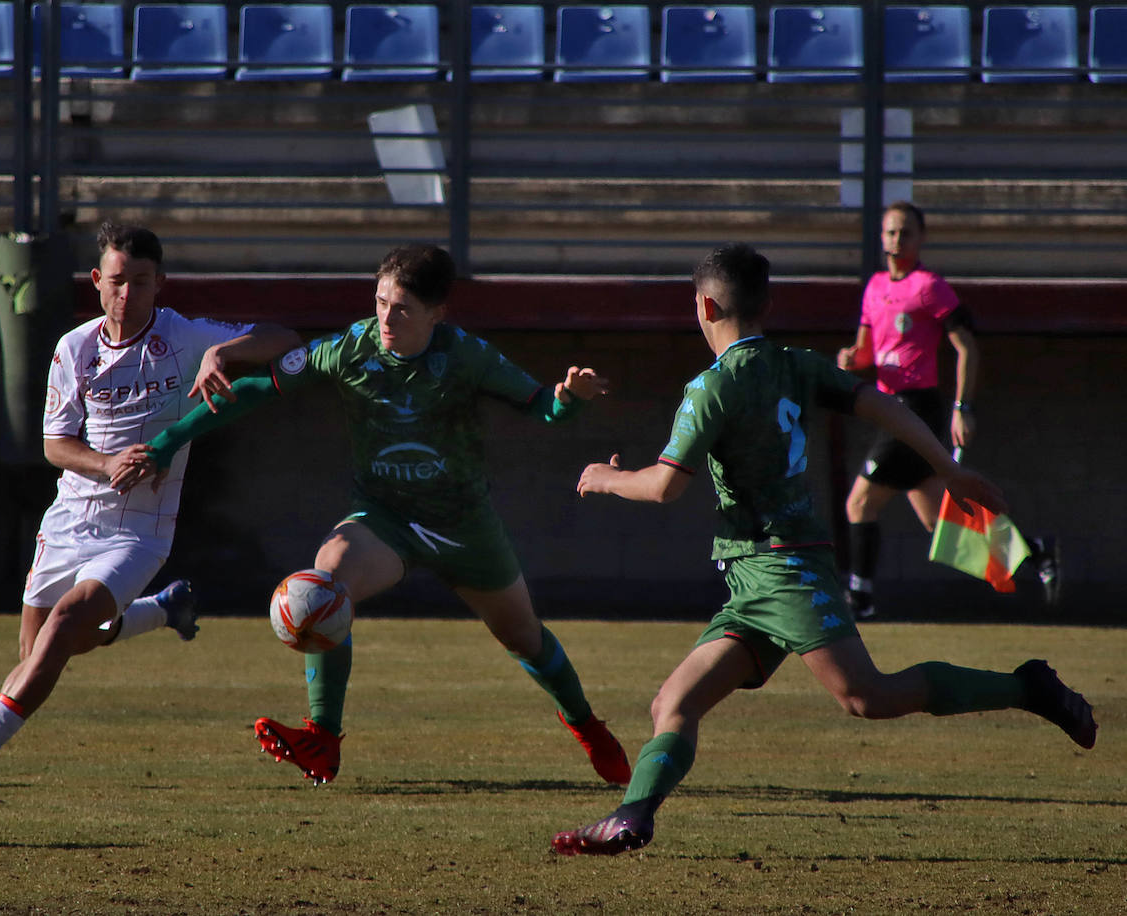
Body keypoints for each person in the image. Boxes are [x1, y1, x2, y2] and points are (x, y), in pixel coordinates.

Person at [550, 243, 1096, 856]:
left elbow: (664, 486)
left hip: (782, 566)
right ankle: (632, 817)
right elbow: (882, 403)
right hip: (754, 576)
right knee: (673, 702)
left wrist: (602, 477)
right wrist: (947, 467)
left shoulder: (710, 388)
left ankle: (1029, 687)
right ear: (767, 303)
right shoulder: (795, 364)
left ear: (705, 306)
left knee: (867, 696)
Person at [140, 243, 632, 787]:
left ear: (436, 313)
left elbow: (546, 407)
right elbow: (257, 389)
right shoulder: (352, 347)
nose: (386, 318)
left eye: (402, 309)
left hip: (462, 523)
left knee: (523, 638)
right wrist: (165, 444)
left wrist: (570, 398)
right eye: (380, 302)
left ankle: (588, 727)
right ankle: (322, 739)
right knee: (322, 585)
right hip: (383, 519)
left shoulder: (466, 355)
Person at [0, 222, 300, 787]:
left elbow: (284, 337)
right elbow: (54, 445)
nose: (127, 294)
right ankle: (161, 610)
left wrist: (222, 355)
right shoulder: (74, 347)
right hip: (68, 521)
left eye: (140, 281)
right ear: (96, 282)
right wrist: (106, 465)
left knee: (62, 627)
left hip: (139, 532)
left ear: (160, 283)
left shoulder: (184, 337)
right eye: (116, 281)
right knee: (39, 650)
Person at [837, 201, 1058, 617]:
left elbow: (966, 347)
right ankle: (1036, 552)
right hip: (889, 406)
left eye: (905, 232)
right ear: (881, 237)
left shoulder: (929, 286)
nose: (896, 239)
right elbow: (867, 353)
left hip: (914, 407)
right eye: (890, 232)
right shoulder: (875, 287)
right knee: (940, 521)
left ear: (921, 239)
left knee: (859, 503)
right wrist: (851, 359)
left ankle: (859, 598)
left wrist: (962, 406)